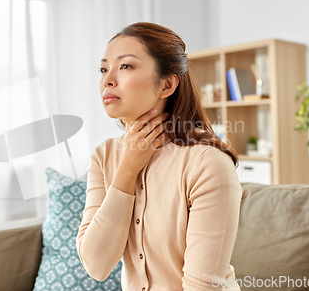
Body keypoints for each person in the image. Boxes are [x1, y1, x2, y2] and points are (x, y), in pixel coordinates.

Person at [76, 22, 247, 291]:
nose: (107, 79)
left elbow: (202, 286)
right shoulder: (103, 156)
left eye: (125, 66)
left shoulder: (208, 164)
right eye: (103, 69)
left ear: (167, 84)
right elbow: (96, 265)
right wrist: (127, 170)